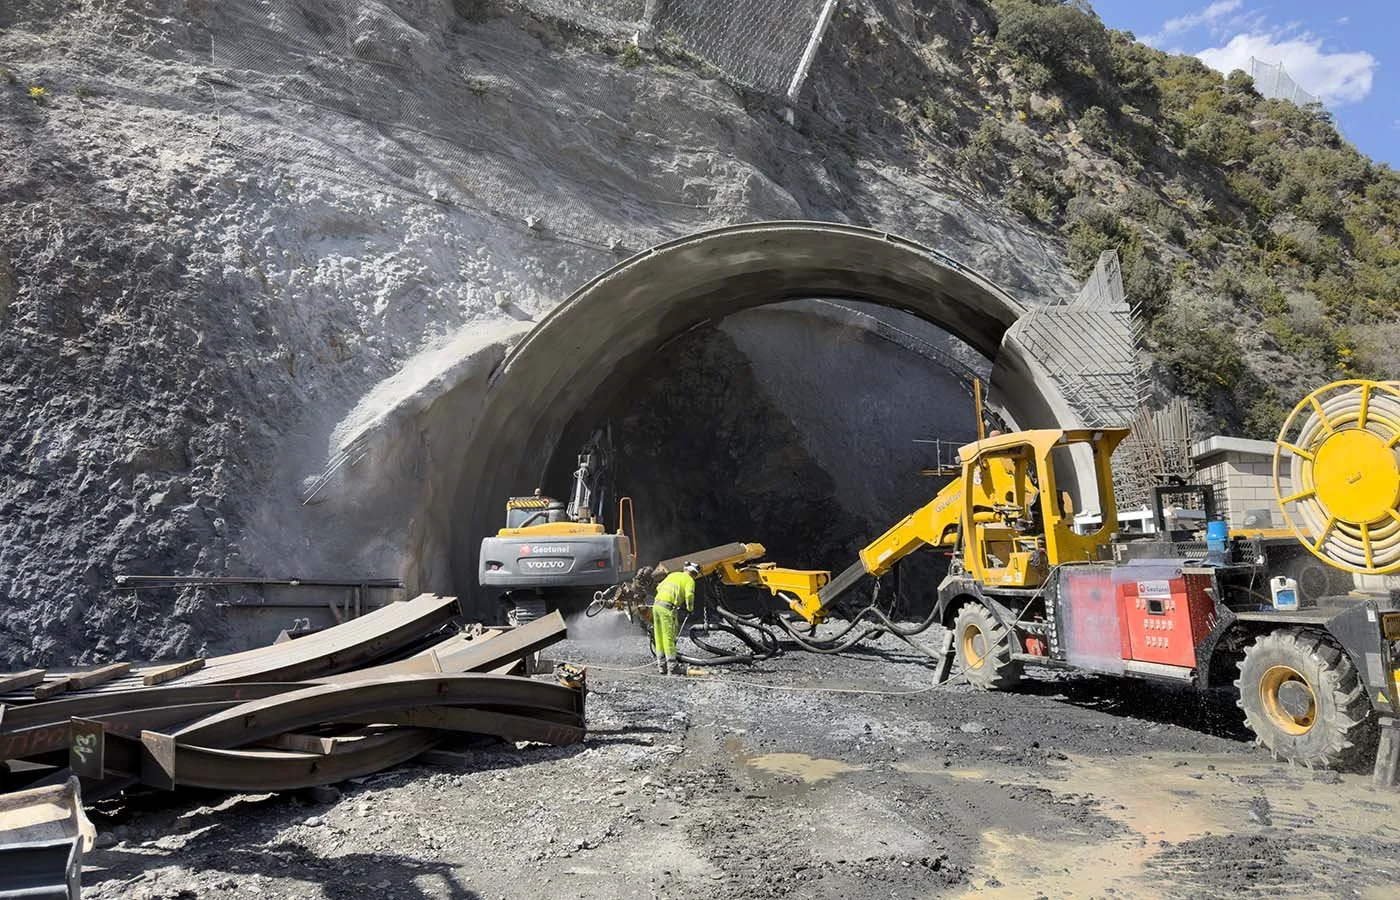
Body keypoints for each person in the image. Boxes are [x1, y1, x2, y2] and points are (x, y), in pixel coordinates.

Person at [652, 562, 699, 675]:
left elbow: (659, 587)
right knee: (669, 637)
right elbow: (689, 595)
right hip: (667, 608)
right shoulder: (690, 581)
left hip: (656, 605)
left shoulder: (673, 575)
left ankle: (661, 666)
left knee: (659, 636)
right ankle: (672, 667)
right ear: (694, 574)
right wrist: (690, 608)